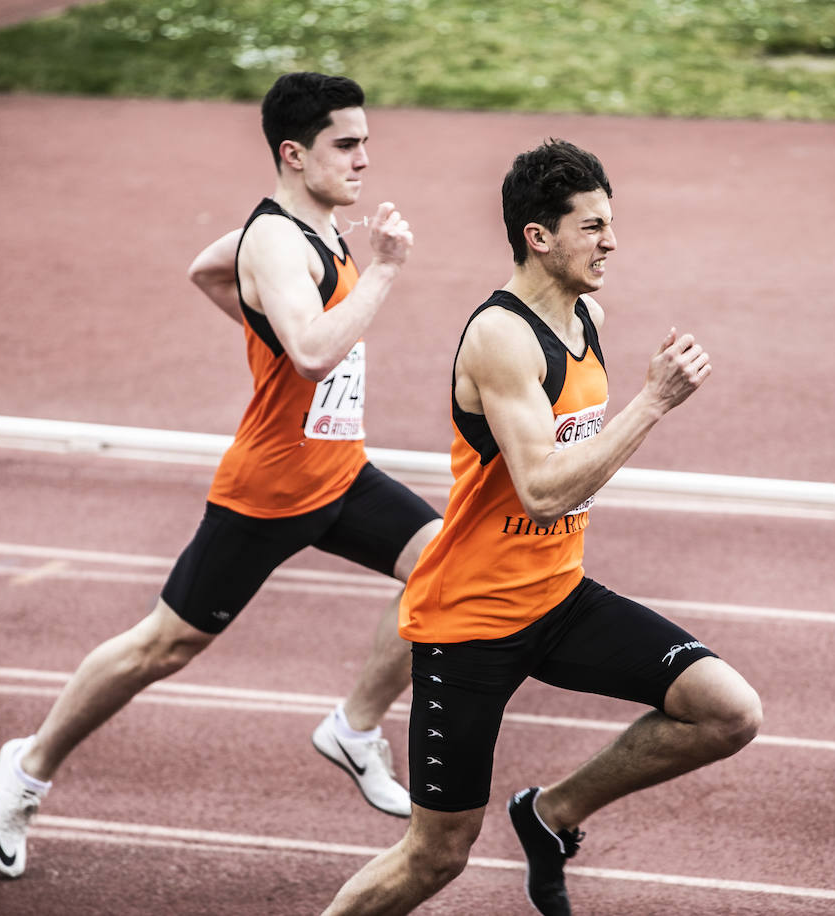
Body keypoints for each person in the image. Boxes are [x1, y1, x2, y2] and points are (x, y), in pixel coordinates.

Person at [0, 71, 442, 879]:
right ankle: (27, 765)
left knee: (444, 563)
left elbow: (205, 269)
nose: (366, 158)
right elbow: (310, 351)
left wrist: (258, 320)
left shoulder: (313, 225)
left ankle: (356, 727)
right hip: (268, 491)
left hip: (339, 473)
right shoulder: (275, 239)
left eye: (367, 141)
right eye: (348, 143)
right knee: (162, 646)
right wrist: (385, 271)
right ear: (294, 154)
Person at [321, 139, 763, 915]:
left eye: (610, 223)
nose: (611, 242)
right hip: (470, 626)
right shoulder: (501, 337)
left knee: (728, 711)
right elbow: (545, 494)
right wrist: (652, 401)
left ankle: (550, 813)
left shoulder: (587, 316)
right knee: (436, 857)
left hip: (557, 599)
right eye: (591, 227)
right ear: (538, 235)